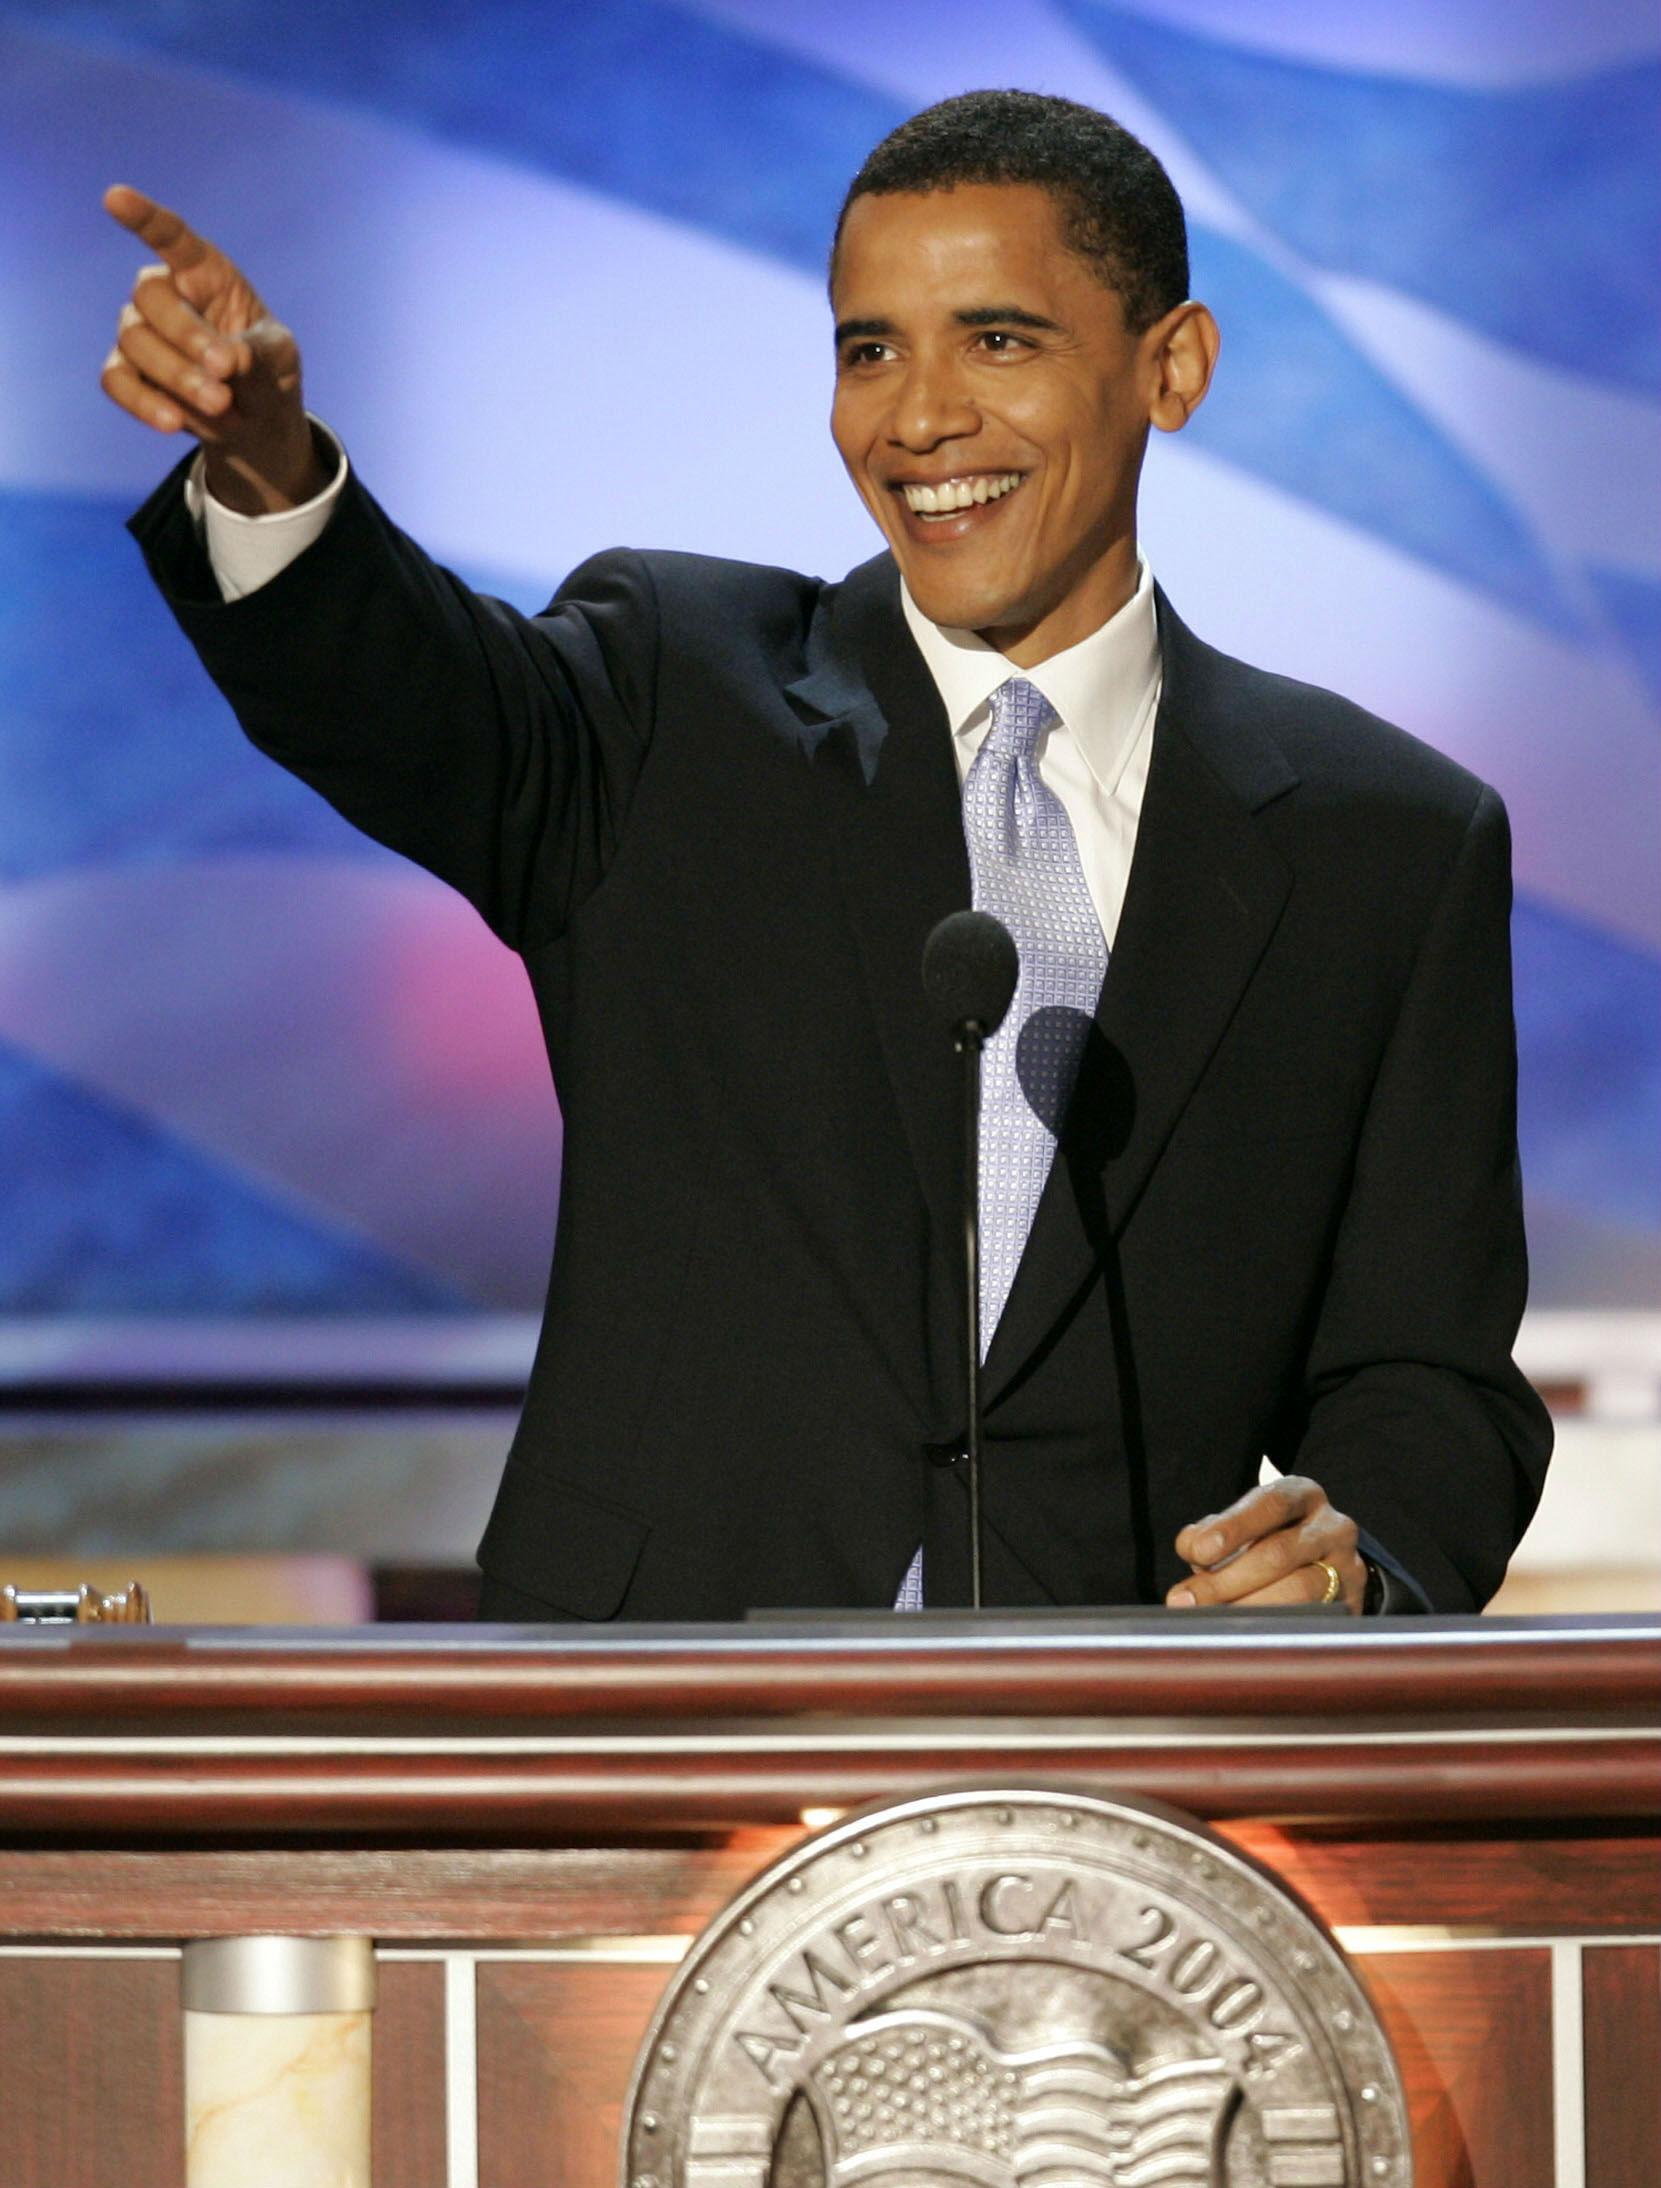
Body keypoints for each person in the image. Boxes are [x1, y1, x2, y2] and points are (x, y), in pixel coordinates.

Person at [101, 91, 1550, 1622]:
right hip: (667, 1723)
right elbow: (416, 701)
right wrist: (267, 471)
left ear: (1169, 365)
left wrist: (1347, 1576)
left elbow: (1423, 1373)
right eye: (869, 348)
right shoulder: (675, 691)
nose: (914, 417)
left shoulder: (1382, 844)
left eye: (996, 339)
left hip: (1126, 1747)